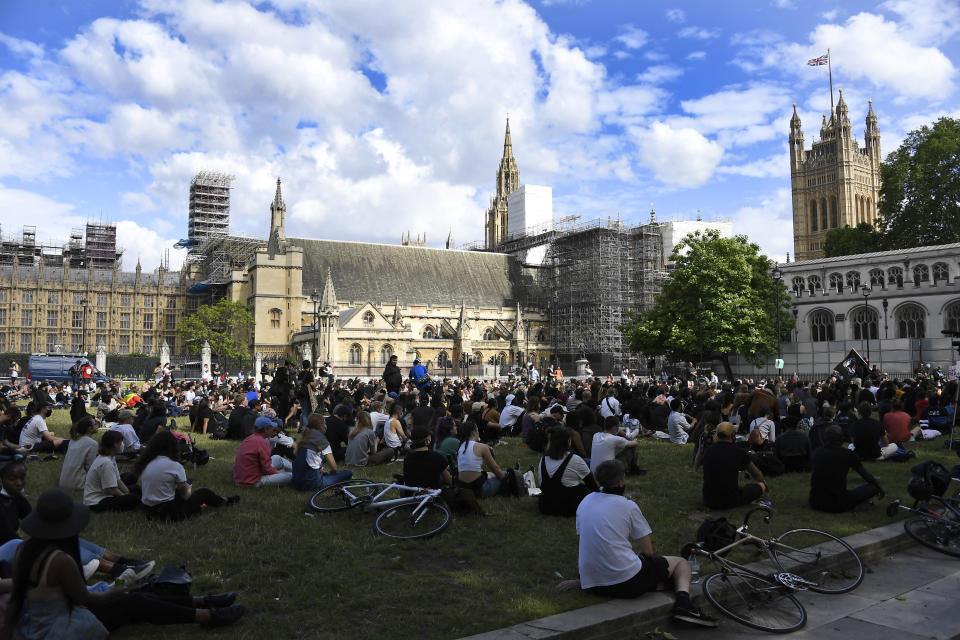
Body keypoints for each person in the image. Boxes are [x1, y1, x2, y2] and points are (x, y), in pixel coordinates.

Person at [5, 488, 245, 637]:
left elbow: (19, 594)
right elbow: (86, 600)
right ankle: (207, 615)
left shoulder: (24, 549)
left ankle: (202, 603)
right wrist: (115, 591)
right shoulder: (60, 560)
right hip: (61, 629)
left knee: (138, 593)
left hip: (37, 623)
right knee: (135, 600)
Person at [559, 460, 716, 627]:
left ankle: (660, 584)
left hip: (592, 584)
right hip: (627, 583)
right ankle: (685, 605)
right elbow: (648, 551)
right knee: (681, 563)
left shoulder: (586, 501)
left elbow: (591, 540)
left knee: (656, 572)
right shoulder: (628, 506)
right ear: (620, 482)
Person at [136, 431, 239, 521]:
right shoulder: (175, 466)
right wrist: (188, 488)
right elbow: (186, 496)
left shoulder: (146, 462)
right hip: (169, 513)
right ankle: (225, 500)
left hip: (148, 509)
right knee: (203, 493)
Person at [810, 425, 884, 513]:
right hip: (838, 503)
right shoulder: (847, 454)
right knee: (872, 487)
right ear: (842, 439)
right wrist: (879, 487)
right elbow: (865, 475)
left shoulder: (817, 452)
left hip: (815, 502)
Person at [701, 422, 767, 509]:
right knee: (760, 486)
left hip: (708, 500)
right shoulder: (739, 452)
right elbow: (756, 474)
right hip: (730, 500)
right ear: (733, 435)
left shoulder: (708, 451)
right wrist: (763, 484)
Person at [538, 428, 597, 517]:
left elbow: (541, 484)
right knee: (583, 488)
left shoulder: (543, 460)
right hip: (569, 508)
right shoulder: (575, 459)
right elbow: (592, 485)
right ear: (568, 441)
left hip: (545, 507)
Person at [291, 414, 352, 491]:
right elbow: (334, 468)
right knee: (348, 473)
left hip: (296, 483)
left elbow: (307, 461)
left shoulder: (304, 438)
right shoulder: (321, 440)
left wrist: (320, 471)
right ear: (321, 425)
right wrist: (330, 473)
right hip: (312, 484)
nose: (326, 425)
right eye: (325, 423)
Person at [83, 431, 140, 512]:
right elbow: (113, 490)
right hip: (96, 502)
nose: (122, 445)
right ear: (115, 444)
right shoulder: (106, 463)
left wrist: (127, 492)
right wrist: (125, 497)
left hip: (104, 494)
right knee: (135, 499)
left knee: (136, 488)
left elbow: (118, 479)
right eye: (121, 442)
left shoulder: (110, 457)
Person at [233, 416, 294, 487]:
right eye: (272, 428)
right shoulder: (262, 442)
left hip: (243, 477)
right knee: (291, 476)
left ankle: (298, 469)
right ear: (266, 429)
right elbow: (266, 469)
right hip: (252, 481)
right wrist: (278, 473)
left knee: (277, 458)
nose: (273, 430)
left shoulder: (250, 438)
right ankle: (301, 473)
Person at [456, 421, 506, 498]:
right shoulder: (482, 447)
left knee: (489, 474)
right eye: (478, 430)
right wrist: (506, 481)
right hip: (478, 490)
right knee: (507, 474)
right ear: (473, 432)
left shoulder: (460, 448)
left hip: (464, 489)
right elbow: (495, 468)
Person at [59, 416, 99, 492]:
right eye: (95, 424)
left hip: (63, 483)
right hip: (78, 484)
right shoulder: (92, 443)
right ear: (90, 429)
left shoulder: (73, 440)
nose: (97, 425)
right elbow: (90, 467)